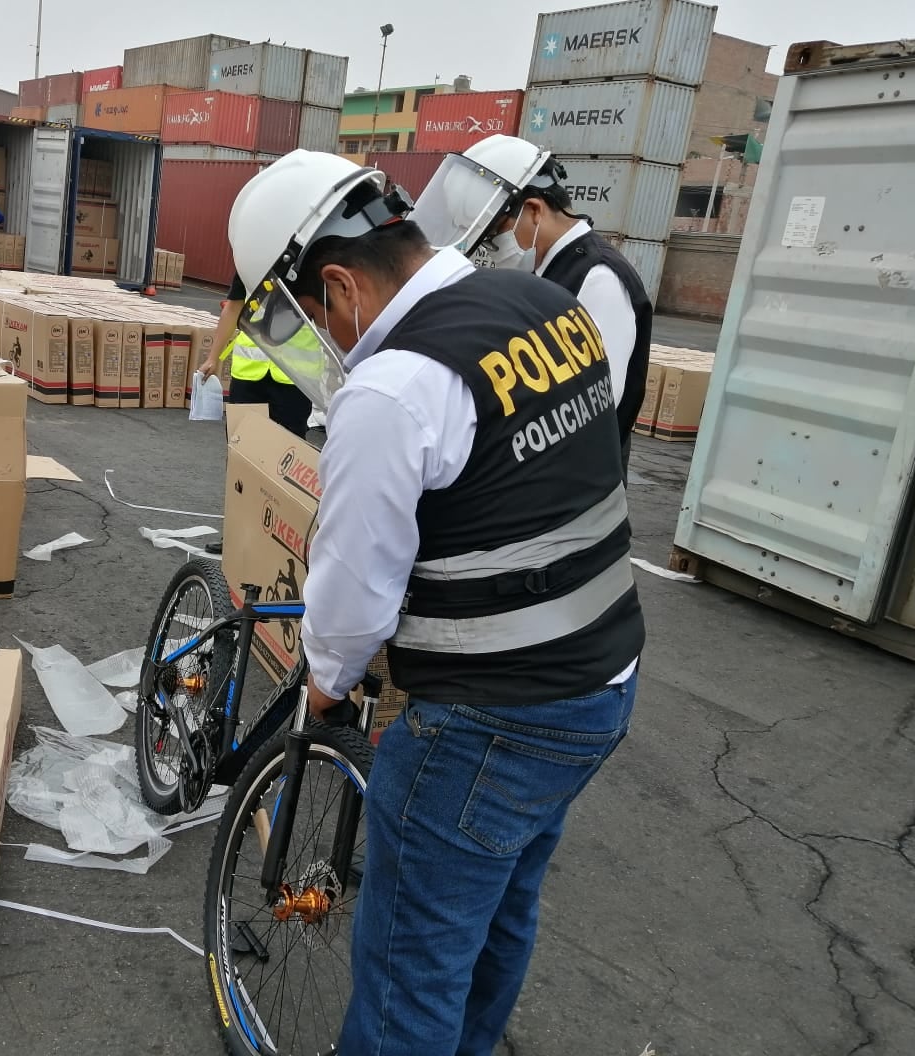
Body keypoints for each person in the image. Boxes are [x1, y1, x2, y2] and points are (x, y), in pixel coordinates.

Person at [227, 149, 644, 1055]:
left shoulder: (393, 386)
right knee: (495, 920)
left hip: (498, 717)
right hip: (605, 676)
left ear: (338, 285)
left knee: (407, 974)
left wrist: (327, 682)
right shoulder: (545, 304)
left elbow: (350, 601)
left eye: (303, 322)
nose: (319, 345)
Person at [428, 134, 652, 478]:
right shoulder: (544, 271)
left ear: (533, 210)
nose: (492, 248)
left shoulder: (596, 277)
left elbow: (595, 400)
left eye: (493, 235)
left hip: (574, 484)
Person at [196, 272, 314, 556]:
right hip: (249, 376)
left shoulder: (313, 254)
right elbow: (234, 308)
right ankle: (238, 535)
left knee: (288, 463)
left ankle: (284, 541)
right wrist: (213, 356)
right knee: (242, 460)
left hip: (293, 379)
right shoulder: (252, 258)